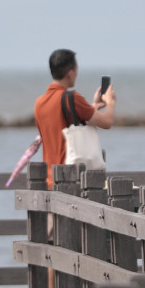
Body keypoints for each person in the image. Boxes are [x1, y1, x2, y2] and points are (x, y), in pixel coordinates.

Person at [33, 48, 115, 186]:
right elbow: (107, 122)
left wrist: (93, 106)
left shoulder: (39, 103)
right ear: (70, 73)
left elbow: (62, 123)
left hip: (49, 182)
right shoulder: (72, 99)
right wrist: (110, 102)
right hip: (69, 182)